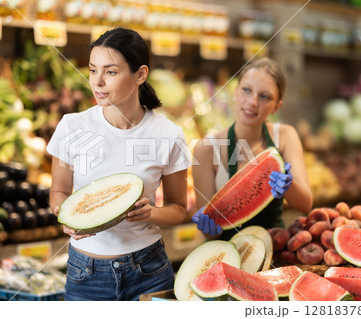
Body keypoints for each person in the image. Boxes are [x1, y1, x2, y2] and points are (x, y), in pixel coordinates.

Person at [46, 28, 191, 301]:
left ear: (140, 74)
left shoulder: (169, 135)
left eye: (110, 72)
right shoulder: (72, 126)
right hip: (85, 273)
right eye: (92, 70)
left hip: (148, 270)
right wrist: (63, 214)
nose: (97, 82)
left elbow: (179, 209)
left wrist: (151, 214)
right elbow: (59, 192)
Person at [191, 57, 313, 240]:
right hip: (227, 252)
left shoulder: (285, 136)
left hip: (274, 249)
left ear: (276, 107)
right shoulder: (206, 149)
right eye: (246, 90)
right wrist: (208, 227)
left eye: (265, 96)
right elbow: (209, 235)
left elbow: (305, 205)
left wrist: (289, 186)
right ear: (235, 92)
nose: (253, 102)